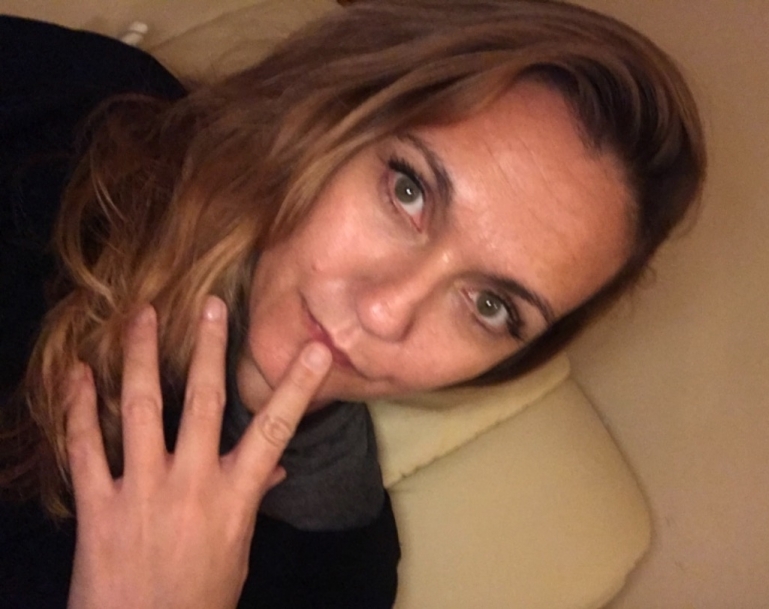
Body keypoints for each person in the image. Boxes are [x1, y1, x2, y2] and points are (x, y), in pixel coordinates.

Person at [0, 0, 706, 607]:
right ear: (330, 115)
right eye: (409, 192)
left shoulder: (338, 569)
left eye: (490, 305)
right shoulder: (67, 115)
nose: (385, 312)